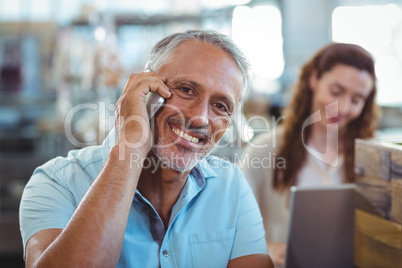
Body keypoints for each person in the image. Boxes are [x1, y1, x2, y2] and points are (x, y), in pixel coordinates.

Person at [19, 30, 273, 268]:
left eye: (220, 106)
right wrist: (130, 149)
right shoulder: (58, 182)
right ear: (145, 88)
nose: (200, 119)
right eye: (186, 90)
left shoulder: (231, 186)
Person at [241, 43, 379, 267]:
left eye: (357, 100)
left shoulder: (372, 155)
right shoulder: (264, 150)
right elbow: (231, 231)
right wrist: (264, 247)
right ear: (314, 79)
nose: (343, 108)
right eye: (336, 92)